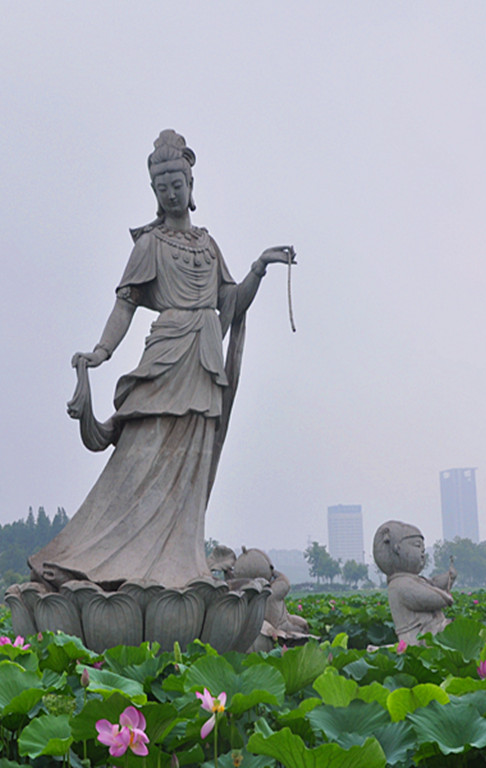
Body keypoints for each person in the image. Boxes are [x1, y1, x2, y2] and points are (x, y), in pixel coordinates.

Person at [29, 130, 295, 590]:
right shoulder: (149, 244)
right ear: (155, 192)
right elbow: (125, 303)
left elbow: (228, 303)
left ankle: (175, 566)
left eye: (178, 184)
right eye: (162, 187)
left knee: (188, 468)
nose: (172, 193)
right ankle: (103, 556)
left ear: (192, 185)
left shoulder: (208, 246)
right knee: (139, 456)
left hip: (204, 362)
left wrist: (259, 267)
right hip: (166, 357)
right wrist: (101, 352)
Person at [373, 521, 456, 646]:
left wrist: (449, 578)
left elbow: (432, 584)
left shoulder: (413, 580)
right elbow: (433, 598)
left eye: (423, 548)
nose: (422, 552)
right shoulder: (400, 585)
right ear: (397, 549)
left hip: (431, 634)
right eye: (417, 546)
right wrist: (446, 597)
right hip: (417, 640)